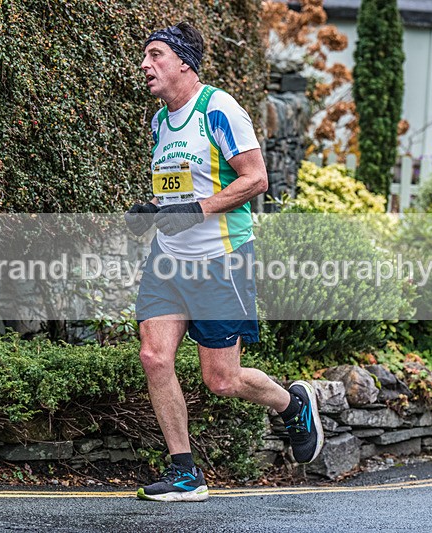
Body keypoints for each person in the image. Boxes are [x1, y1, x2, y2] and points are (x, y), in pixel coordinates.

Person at [125, 22, 323, 503]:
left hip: (221, 261)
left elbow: (256, 180)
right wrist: (153, 214)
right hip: (170, 262)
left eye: (155, 55)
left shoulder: (218, 108)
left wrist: (192, 211)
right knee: (154, 356)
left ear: (184, 64)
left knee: (222, 380)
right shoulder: (159, 122)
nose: (145, 65)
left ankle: (291, 403)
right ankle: (185, 474)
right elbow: (178, 190)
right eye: (145, 56)